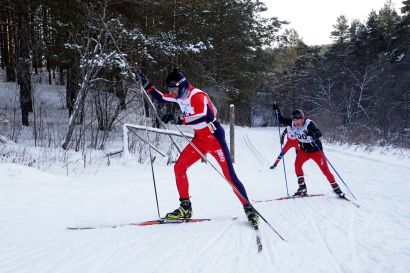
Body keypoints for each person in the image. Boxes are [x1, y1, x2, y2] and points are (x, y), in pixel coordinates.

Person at [136, 69, 259, 227]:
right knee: (179, 167)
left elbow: (201, 115)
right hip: (200, 139)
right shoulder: (179, 96)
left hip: (215, 139)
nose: (171, 93)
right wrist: (147, 85)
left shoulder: (197, 95)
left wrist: (178, 119)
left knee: (230, 176)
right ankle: (185, 207)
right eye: (169, 89)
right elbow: (160, 97)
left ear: (181, 85)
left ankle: (249, 208)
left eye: (173, 89)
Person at [272, 104, 345, 198]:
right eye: (294, 119)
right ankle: (302, 188)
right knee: (297, 165)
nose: (296, 122)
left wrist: (312, 134)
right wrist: (277, 110)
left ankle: (336, 188)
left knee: (325, 170)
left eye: (298, 119)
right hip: (304, 151)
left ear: (302, 118)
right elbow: (281, 120)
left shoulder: (308, 123)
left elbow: (319, 133)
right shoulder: (293, 124)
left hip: (316, 151)